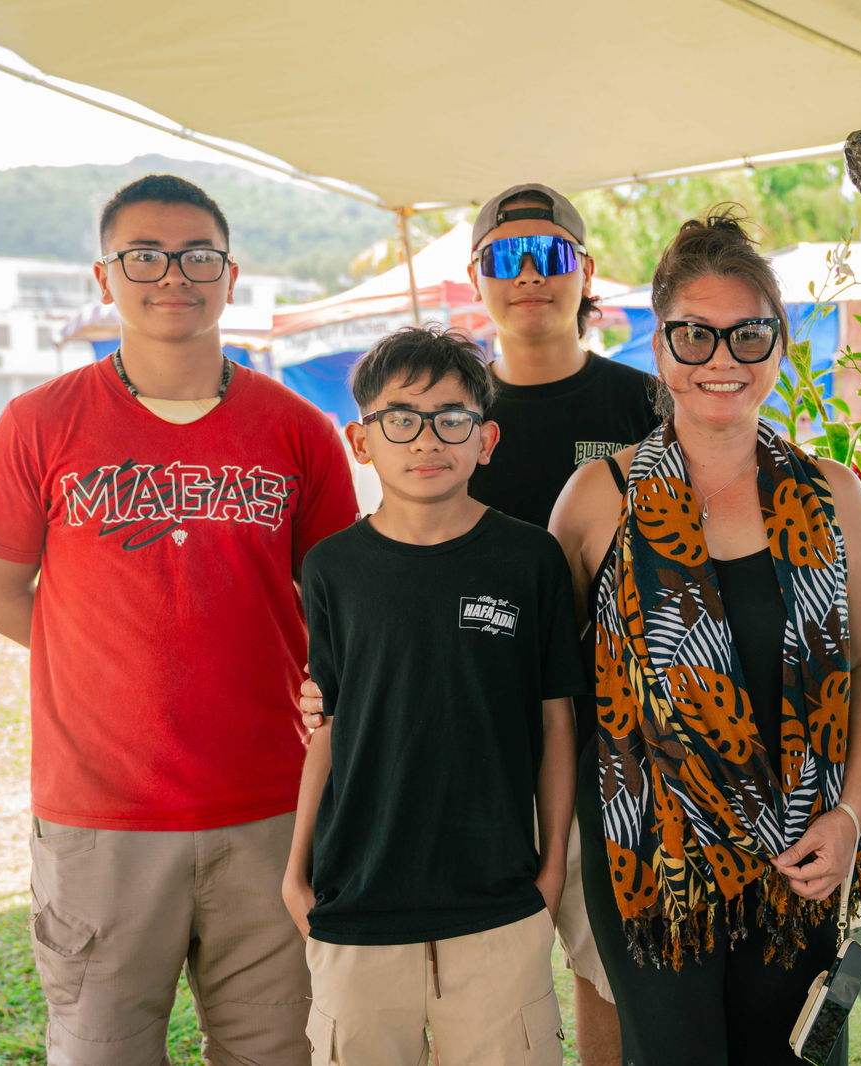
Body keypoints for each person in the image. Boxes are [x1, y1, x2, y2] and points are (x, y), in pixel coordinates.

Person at [0, 174, 357, 1064]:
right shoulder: (39, 424)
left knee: (277, 1051)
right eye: (143, 254)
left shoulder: (299, 430)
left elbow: (337, 601)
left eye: (196, 255)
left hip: (269, 807)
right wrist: (109, 658)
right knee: (102, 1050)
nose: (171, 273)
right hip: (102, 816)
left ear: (230, 273)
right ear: (105, 276)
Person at [301, 180, 658, 1065]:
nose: (529, 274)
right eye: (507, 256)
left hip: (623, 742)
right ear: (475, 276)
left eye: (552, 254)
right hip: (477, 763)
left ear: (585, 273)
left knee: (607, 969)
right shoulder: (439, 404)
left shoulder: (648, 406)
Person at [548, 208, 861, 1065]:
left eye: (749, 336)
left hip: (799, 859)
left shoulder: (834, 495)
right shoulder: (599, 498)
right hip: (652, 866)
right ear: (659, 348)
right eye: (694, 337)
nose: (722, 362)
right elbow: (547, 687)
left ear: (779, 344)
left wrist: (849, 817)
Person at [283, 326, 584, 1064]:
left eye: (452, 418)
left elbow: (556, 724)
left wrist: (549, 874)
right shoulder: (332, 569)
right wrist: (297, 871)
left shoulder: (530, 558)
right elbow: (330, 724)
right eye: (401, 419)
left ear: (486, 439)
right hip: (356, 897)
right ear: (362, 439)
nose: (427, 440)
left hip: (497, 898)